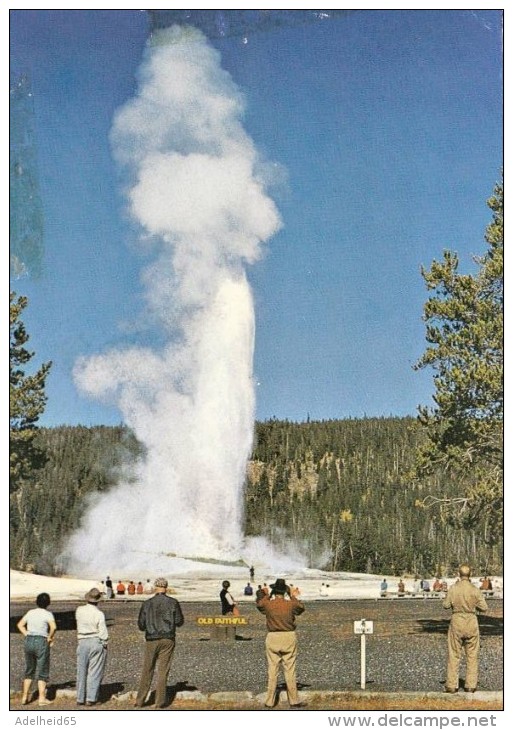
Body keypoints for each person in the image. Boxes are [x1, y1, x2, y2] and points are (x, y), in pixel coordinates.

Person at [256, 578, 306, 709]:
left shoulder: (269, 604)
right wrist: (292, 595)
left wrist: (266, 594)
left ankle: (270, 701)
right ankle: (294, 700)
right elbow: (301, 608)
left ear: (274, 591)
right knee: (290, 670)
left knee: (272, 670)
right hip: (288, 636)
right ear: (284, 591)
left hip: (272, 636)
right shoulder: (290, 604)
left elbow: (260, 604)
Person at [135, 577, 184, 708]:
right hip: (168, 638)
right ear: (166, 587)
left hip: (151, 639)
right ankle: (159, 702)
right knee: (163, 671)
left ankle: (140, 700)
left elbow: (141, 625)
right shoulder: (173, 602)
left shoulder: (147, 603)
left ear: (155, 588)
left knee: (147, 669)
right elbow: (179, 621)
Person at [442, 564, 488, 693]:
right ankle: (470, 685)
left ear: (459, 574)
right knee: (472, 655)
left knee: (454, 654)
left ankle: (451, 685)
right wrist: (474, 605)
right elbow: (484, 607)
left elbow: (445, 605)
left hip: (456, 621)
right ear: (470, 574)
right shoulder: (474, 590)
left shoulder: (453, 588)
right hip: (471, 621)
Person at [17, 592, 57, 706]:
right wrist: (50, 637)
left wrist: (26, 634)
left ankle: (24, 696)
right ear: (48, 603)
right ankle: (42, 698)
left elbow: (20, 625)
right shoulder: (48, 614)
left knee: (29, 669)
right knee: (43, 670)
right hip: (41, 640)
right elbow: (53, 627)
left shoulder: (30, 612)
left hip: (29, 640)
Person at [75, 587, 109, 706]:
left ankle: (80, 697)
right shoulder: (99, 613)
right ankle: (91, 698)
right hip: (95, 640)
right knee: (94, 671)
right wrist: (104, 642)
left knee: (81, 670)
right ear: (98, 600)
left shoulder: (79, 610)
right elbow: (103, 631)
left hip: (82, 640)